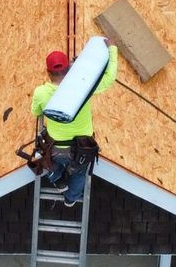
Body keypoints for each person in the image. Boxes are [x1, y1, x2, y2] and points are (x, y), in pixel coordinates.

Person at [30, 46, 118, 207]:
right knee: (78, 174)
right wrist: (111, 48)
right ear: (69, 69)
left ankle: (58, 179)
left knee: (49, 164)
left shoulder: (41, 92)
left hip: (54, 148)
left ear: (48, 72)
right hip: (82, 148)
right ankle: (70, 199)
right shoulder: (83, 88)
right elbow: (109, 77)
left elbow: (36, 111)